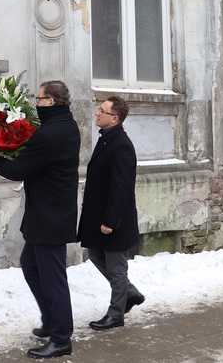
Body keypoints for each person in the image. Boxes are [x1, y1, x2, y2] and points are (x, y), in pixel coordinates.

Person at [0, 80, 80, 359]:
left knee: (53, 279)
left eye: (39, 99)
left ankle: (61, 338)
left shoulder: (51, 133)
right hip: (48, 213)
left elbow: (20, 169)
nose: (35, 103)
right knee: (30, 265)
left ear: (50, 101)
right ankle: (51, 321)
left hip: (49, 218)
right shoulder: (66, 125)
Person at [77, 96, 144, 331]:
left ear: (114, 118)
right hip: (99, 215)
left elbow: (121, 188)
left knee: (117, 269)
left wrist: (111, 221)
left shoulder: (121, 144)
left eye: (102, 111)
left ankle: (116, 315)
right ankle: (130, 293)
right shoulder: (106, 138)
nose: (97, 113)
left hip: (115, 219)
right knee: (95, 255)